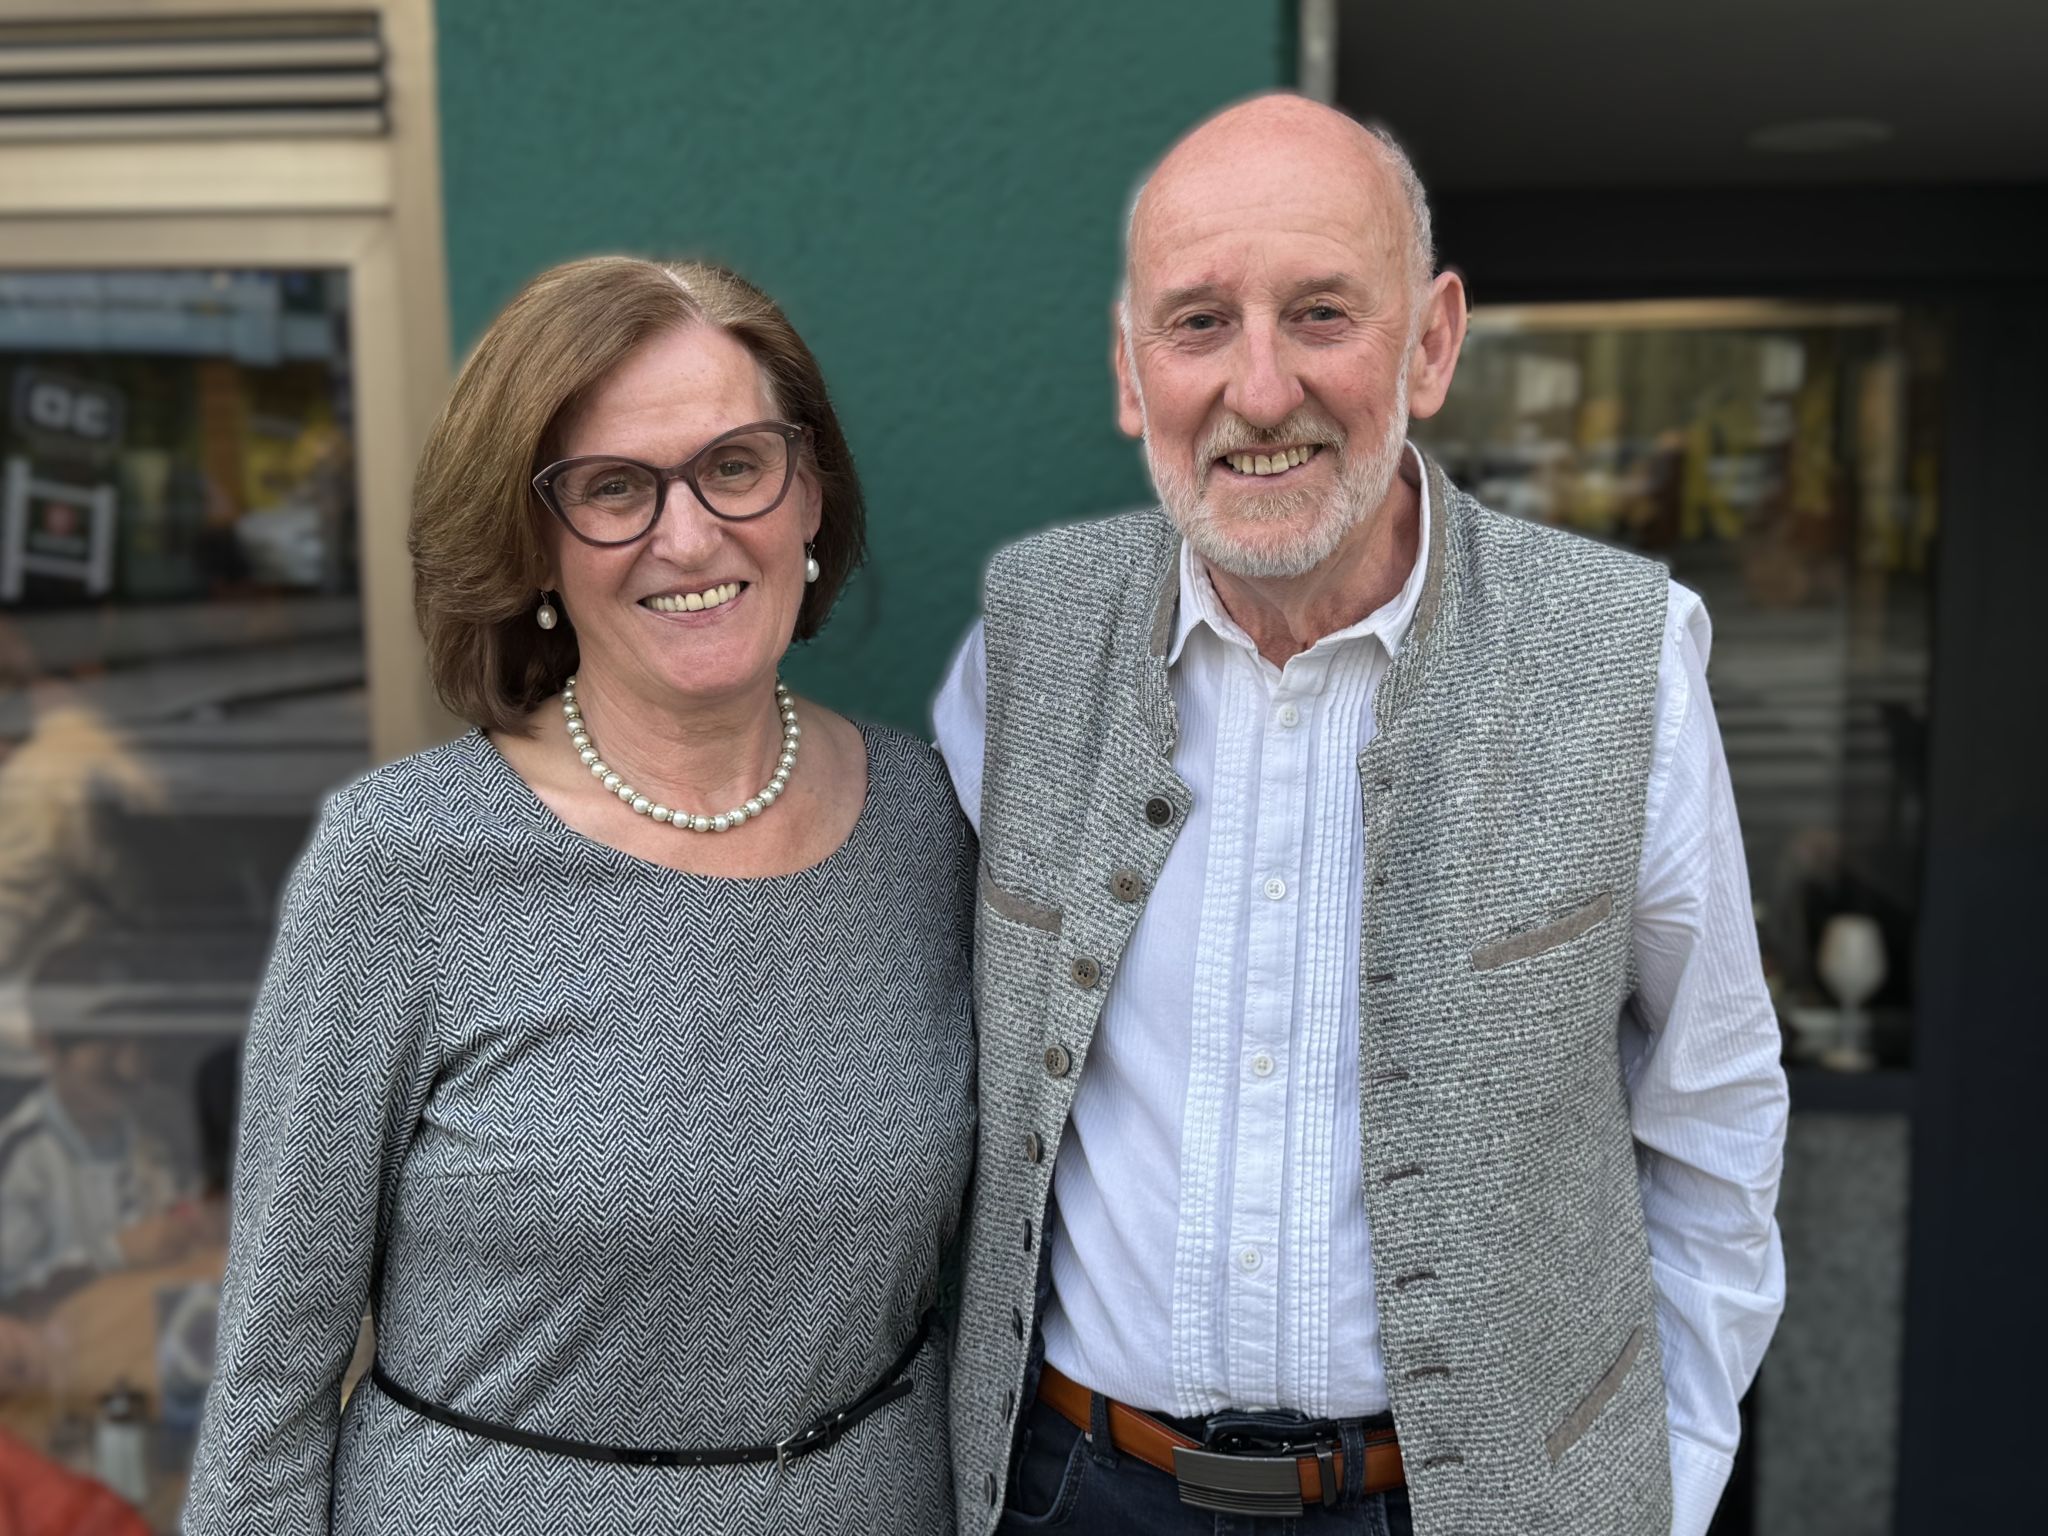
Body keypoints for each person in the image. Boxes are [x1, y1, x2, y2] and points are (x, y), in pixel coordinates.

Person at [934, 94, 1786, 1535]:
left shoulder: (1622, 652)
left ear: (1434, 341)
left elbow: (1713, 1118)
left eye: (1322, 312)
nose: (1260, 391)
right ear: (1131, 371)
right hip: (1076, 1493)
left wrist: (1659, 1486)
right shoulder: (1025, 639)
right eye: (1198, 323)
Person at [182, 257, 976, 1535]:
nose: (689, 535)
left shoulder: (933, 828)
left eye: (736, 464)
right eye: (613, 488)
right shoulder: (403, 868)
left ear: (810, 490)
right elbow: (273, 1376)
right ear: (533, 542)